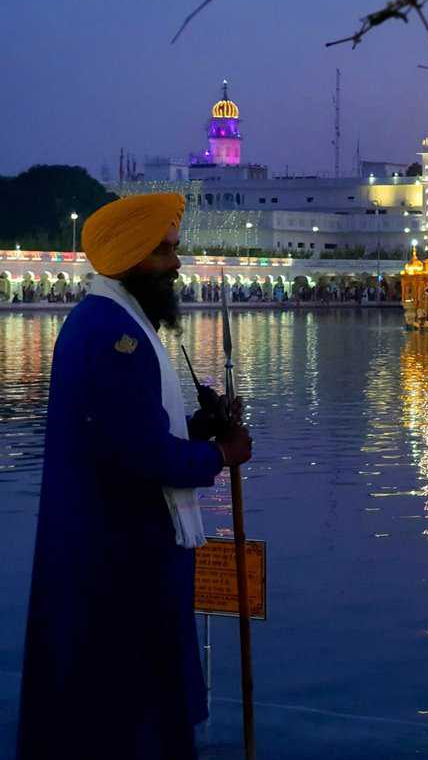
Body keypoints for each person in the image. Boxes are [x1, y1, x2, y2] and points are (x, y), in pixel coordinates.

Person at [18, 193, 254, 760]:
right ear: (130, 258)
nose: (176, 265)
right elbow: (144, 456)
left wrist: (200, 429)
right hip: (120, 560)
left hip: (113, 549)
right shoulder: (113, 337)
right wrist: (222, 454)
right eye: (164, 252)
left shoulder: (110, 319)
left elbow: (132, 432)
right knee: (129, 715)